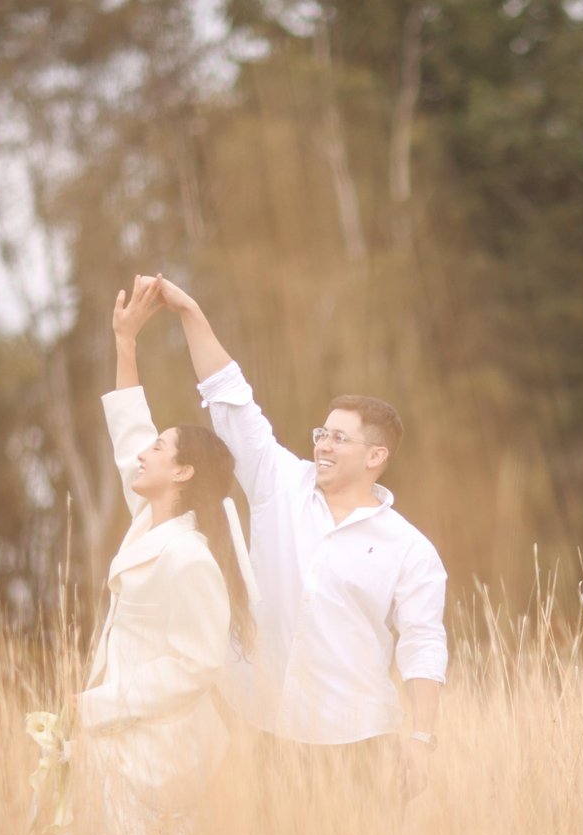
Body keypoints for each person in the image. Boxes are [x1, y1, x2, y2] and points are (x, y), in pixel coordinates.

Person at [144, 275, 447, 805]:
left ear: (375, 456)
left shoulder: (410, 548)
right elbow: (231, 401)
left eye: (338, 437)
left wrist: (421, 739)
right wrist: (190, 312)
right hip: (265, 731)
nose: (323, 445)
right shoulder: (279, 483)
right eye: (321, 433)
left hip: (357, 743)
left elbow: (423, 645)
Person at [71, 273, 254, 835]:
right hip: (126, 742)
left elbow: (198, 661)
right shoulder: (153, 517)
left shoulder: (190, 555)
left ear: (180, 472)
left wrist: (103, 703)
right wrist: (125, 344)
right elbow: (128, 435)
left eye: (160, 449)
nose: (143, 454)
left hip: (162, 755)